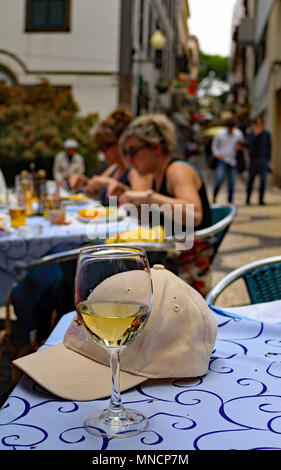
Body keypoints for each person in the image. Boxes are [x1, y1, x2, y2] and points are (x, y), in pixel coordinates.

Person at [117, 113, 214, 297]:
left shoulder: (177, 169)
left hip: (186, 267)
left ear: (156, 147)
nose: (129, 160)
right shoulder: (156, 175)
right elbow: (158, 218)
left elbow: (194, 215)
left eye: (132, 152)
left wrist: (149, 197)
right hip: (167, 258)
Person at [69, 107, 152, 205]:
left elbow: (143, 205)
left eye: (105, 146)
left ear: (121, 143)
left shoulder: (136, 170)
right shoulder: (114, 168)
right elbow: (93, 188)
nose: (101, 151)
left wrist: (110, 184)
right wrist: (82, 181)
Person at [211, 119, 244, 203]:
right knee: (219, 178)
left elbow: (242, 144)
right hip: (222, 160)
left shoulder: (238, 134)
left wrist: (239, 148)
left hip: (233, 161)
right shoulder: (220, 134)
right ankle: (214, 195)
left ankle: (230, 200)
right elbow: (214, 146)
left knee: (232, 182)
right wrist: (217, 155)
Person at [245, 116, 271, 205]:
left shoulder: (266, 134)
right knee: (251, 180)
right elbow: (248, 144)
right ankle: (248, 198)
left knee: (263, 181)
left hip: (264, 160)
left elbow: (269, 147)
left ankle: (261, 200)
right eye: (257, 123)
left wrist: (268, 159)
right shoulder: (251, 134)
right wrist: (255, 135)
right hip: (254, 160)